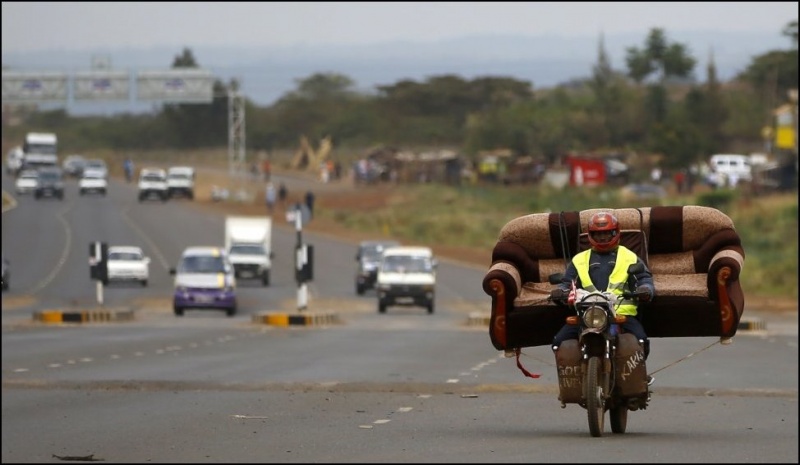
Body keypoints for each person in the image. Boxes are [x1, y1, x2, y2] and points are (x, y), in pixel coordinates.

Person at [550, 212, 656, 375]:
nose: (602, 238)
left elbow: (644, 278)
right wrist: (560, 292)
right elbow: (566, 283)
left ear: (615, 233)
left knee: (641, 340)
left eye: (607, 233)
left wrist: (645, 290)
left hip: (620, 316)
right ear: (591, 236)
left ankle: (638, 376)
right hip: (587, 316)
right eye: (598, 234)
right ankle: (576, 376)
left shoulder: (629, 257)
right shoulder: (579, 260)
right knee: (558, 342)